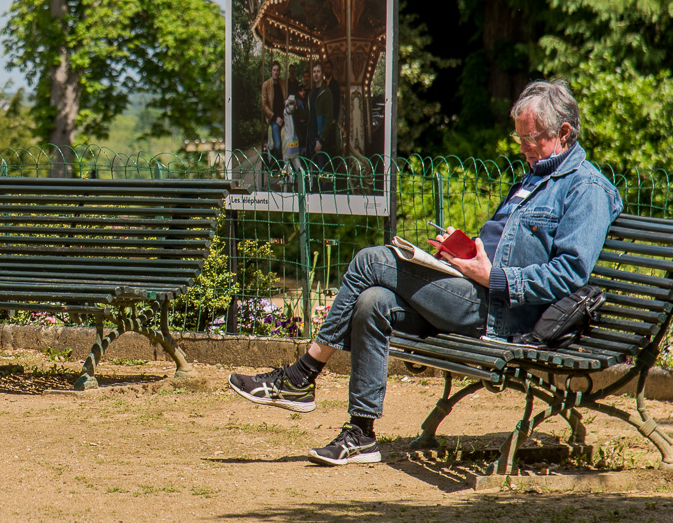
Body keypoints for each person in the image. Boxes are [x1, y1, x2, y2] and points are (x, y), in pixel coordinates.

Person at [227, 80, 622, 466]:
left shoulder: (586, 189)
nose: (522, 148)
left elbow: (569, 274)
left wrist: (493, 277)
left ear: (564, 132)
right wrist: (461, 251)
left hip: (502, 312)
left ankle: (302, 375)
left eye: (529, 138)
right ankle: (361, 434)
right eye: (519, 138)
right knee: (372, 301)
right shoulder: (533, 178)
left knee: (369, 261)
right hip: (474, 289)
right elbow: (505, 246)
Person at [305, 62, 337, 162]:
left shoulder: (326, 92)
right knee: (313, 169)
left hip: (320, 137)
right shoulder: (311, 93)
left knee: (321, 169)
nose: (316, 74)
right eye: (314, 72)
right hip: (311, 135)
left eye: (318, 71)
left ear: (322, 74)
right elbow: (309, 114)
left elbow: (329, 117)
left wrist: (321, 139)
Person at [261, 60, 286, 160]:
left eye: (277, 70)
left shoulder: (283, 83)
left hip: (283, 117)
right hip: (274, 119)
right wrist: (275, 117)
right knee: (278, 145)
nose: (276, 72)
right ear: (271, 71)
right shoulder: (266, 85)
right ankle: (277, 166)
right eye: (274, 70)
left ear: (279, 72)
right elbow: (264, 105)